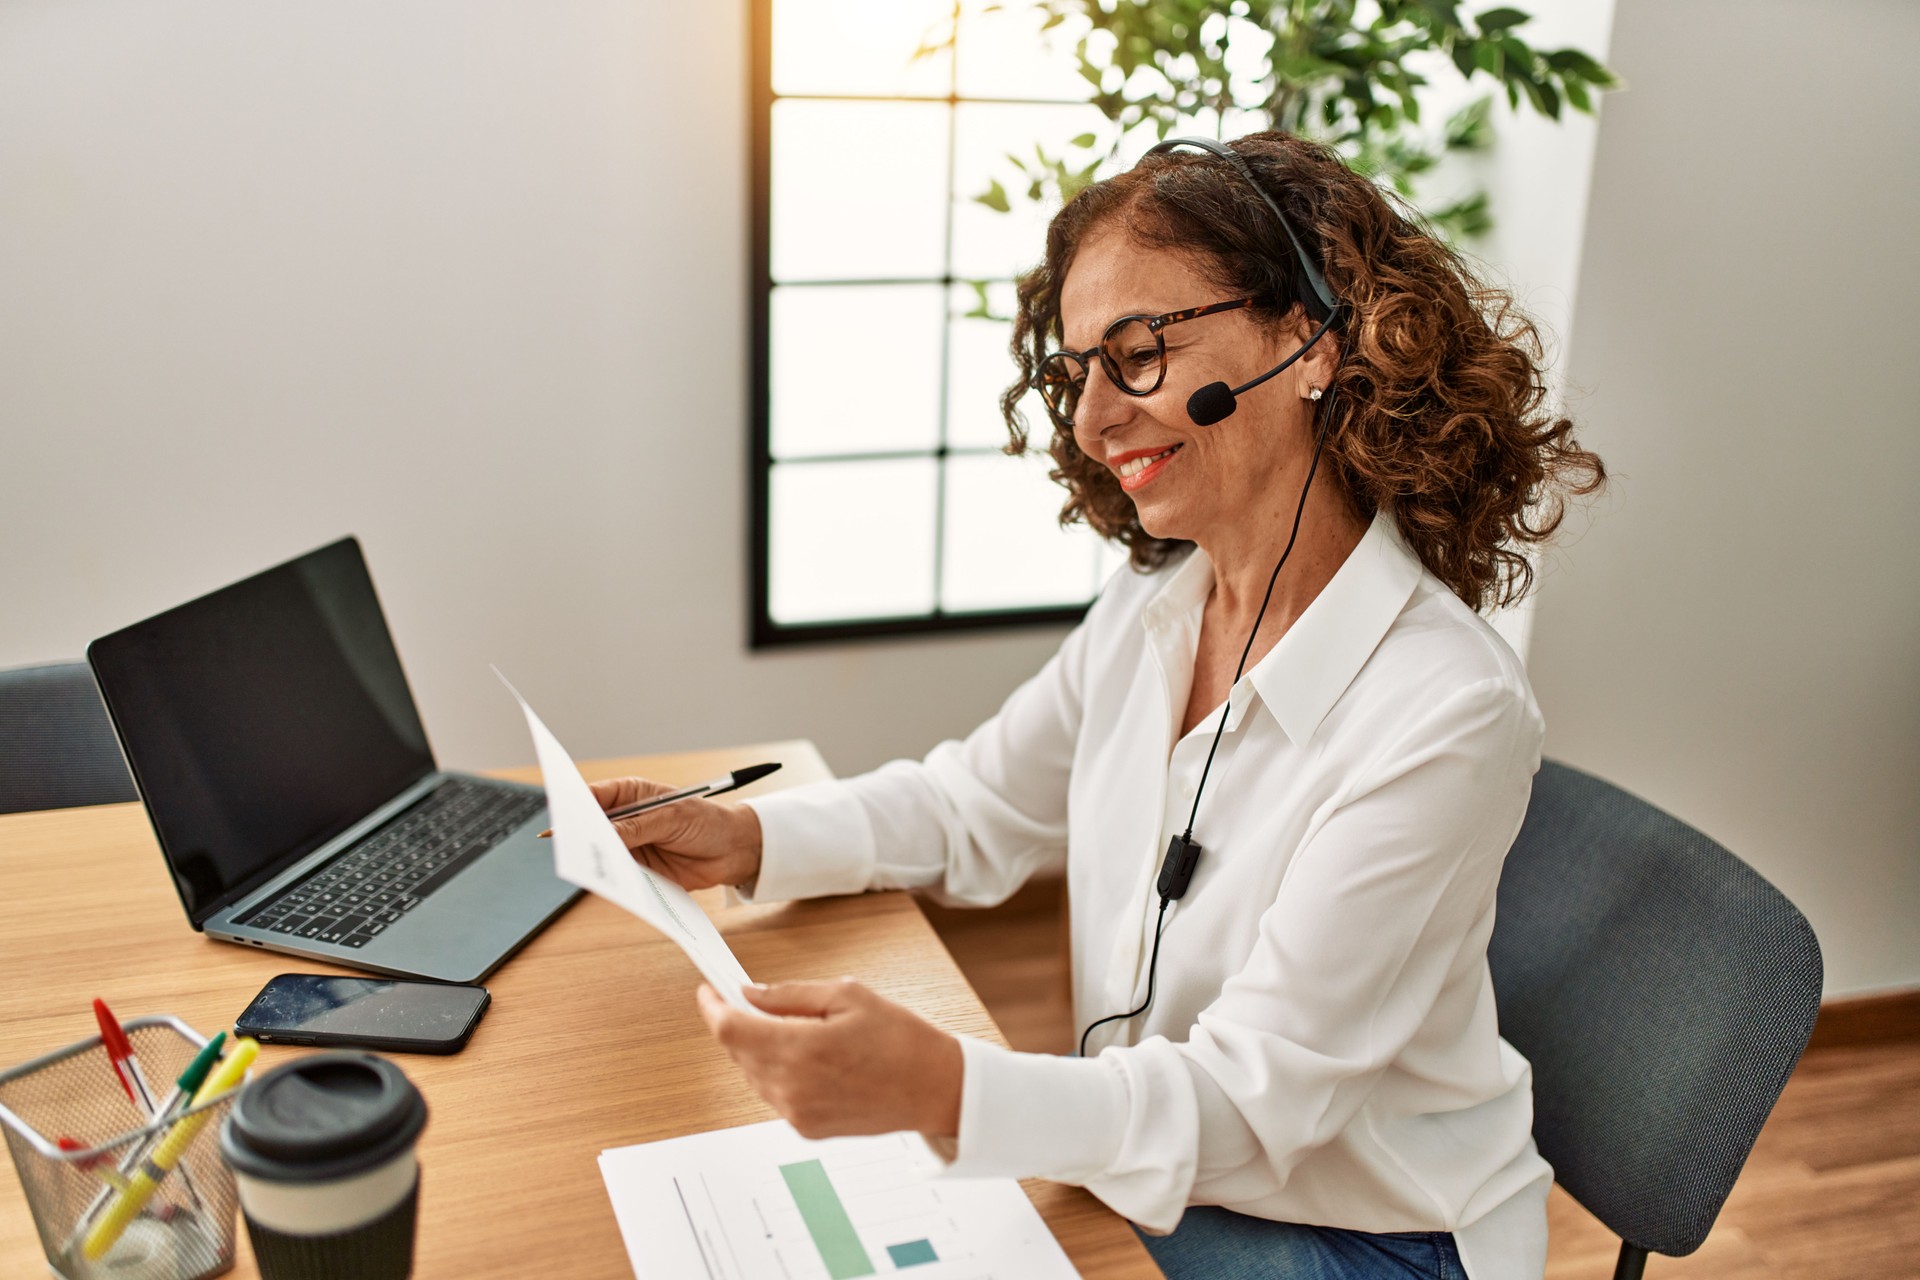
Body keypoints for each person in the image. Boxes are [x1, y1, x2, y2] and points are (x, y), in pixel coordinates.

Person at [593, 131, 1605, 1279]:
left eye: (1137, 352)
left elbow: (1250, 1098)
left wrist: (943, 1085)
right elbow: (974, 803)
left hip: (1371, 1232)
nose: (1089, 421)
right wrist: (745, 836)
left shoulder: (1446, 706)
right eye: (1081, 368)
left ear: (1310, 339)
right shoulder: (1155, 610)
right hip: (1170, 1167)